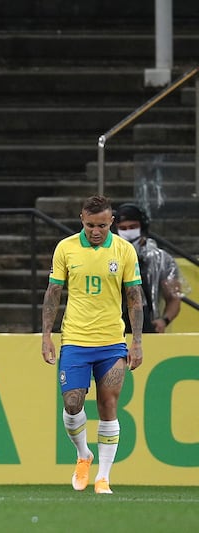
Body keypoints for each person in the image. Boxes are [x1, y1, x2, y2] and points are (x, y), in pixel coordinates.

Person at [41, 195, 144, 495]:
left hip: (112, 341)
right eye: (89, 225)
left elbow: (134, 298)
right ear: (81, 219)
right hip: (75, 339)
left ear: (111, 222)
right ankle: (83, 454)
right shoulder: (66, 248)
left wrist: (136, 342)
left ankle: (104, 477)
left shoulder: (124, 250)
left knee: (108, 405)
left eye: (101, 225)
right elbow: (53, 292)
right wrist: (46, 334)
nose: (95, 231)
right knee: (72, 404)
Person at [114, 203, 183, 333]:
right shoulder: (105, 257)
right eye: (123, 228)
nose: (128, 232)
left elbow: (174, 298)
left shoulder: (162, 259)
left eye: (133, 227)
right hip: (112, 330)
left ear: (142, 227)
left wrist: (164, 320)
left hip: (149, 328)